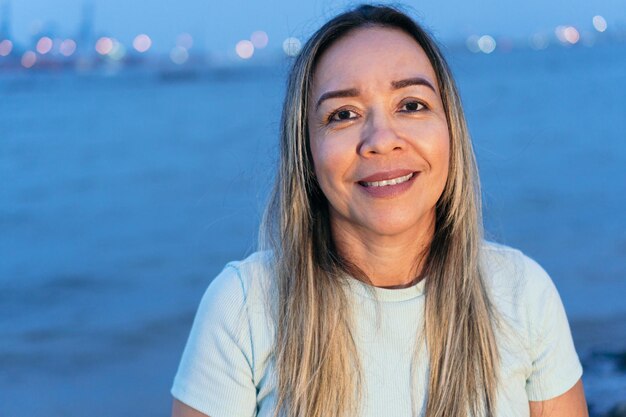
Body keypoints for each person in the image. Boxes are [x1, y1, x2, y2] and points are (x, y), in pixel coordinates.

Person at [170, 5, 588, 417]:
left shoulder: (522, 295)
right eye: (343, 114)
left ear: (451, 131)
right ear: (307, 153)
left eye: (411, 105)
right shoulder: (244, 307)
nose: (382, 139)